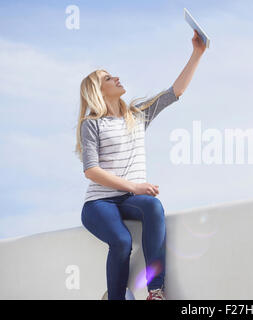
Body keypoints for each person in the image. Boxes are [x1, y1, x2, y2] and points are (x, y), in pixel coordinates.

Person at [74, 30, 206, 300]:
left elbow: (175, 92)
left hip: (129, 199)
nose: (117, 78)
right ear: (97, 91)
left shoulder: (137, 116)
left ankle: (155, 291)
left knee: (153, 207)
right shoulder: (91, 124)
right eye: (108, 78)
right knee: (122, 242)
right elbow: (91, 171)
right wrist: (134, 185)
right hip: (99, 204)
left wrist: (197, 53)